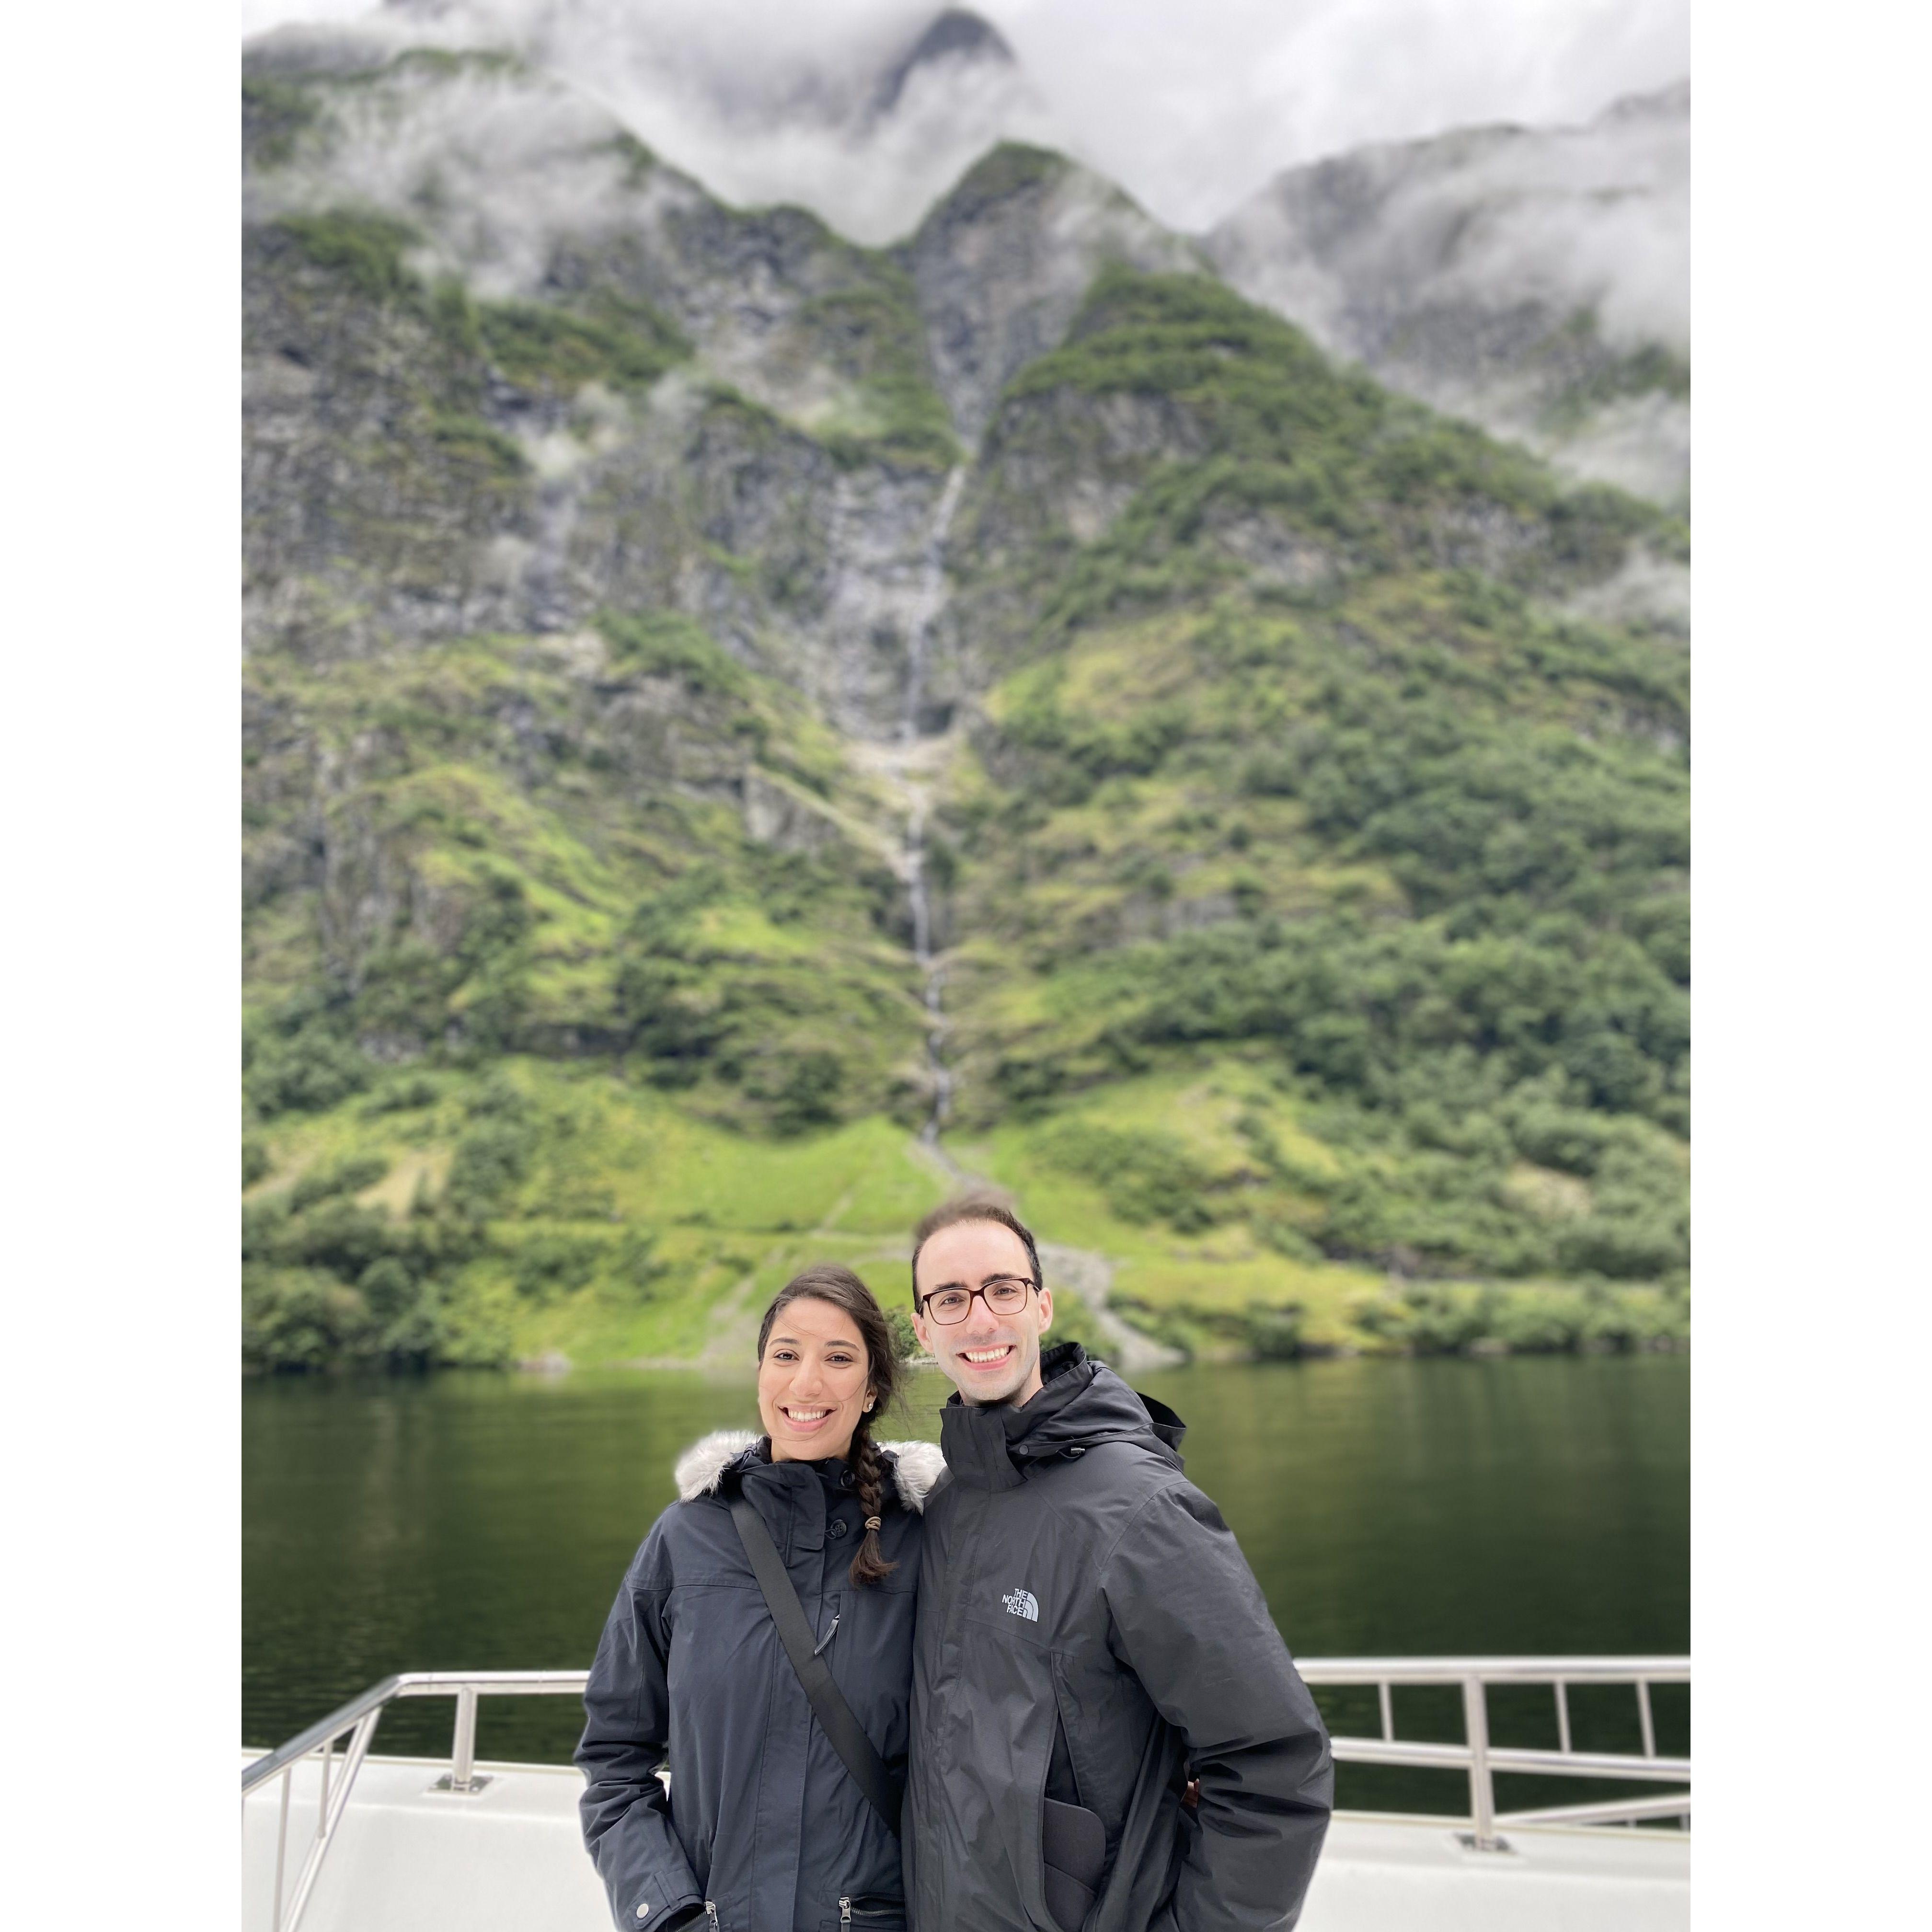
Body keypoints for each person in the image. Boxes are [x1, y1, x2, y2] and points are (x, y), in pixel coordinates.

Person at [903, 1198, 1334, 1932]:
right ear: (923, 1329)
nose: (979, 1320)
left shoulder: (1141, 1512)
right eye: (950, 1299)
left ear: (1042, 1307)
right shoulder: (945, 1504)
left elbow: (1273, 1772)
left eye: (1003, 1289)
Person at [576, 1265, 945, 1932]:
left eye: (839, 1358)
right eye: (786, 1355)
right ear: (759, 1373)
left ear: (871, 1391)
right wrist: (665, 1913)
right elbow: (614, 1761)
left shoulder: (929, 1542)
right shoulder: (685, 1540)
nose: (807, 1383)